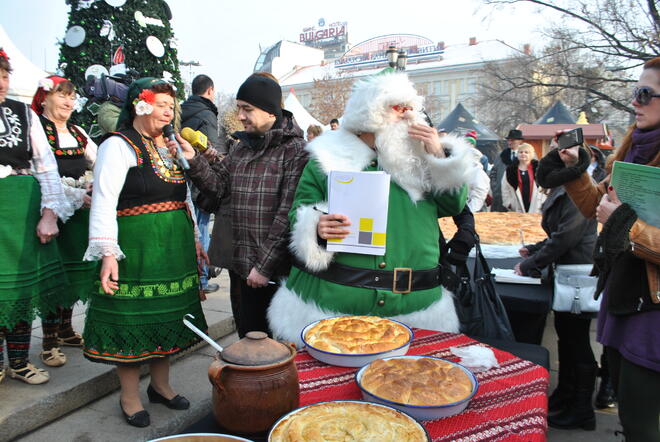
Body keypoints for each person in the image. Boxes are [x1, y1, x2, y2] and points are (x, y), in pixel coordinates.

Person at [266, 73, 472, 345]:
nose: (409, 117)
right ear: (370, 117)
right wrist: (316, 225)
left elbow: (453, 205)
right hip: (334, 306)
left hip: (417, 308)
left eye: (411, 110)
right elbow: (299, 211)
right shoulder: (326, 157)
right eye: (398, 110)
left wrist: (439, 157)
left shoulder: (423, 157)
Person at [536, 57, 660, 441]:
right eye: (634, 92)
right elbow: (595, 209)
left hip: (652, 314)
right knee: (630, 413)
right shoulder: (633, 149)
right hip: (622, 297)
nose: (635, 102)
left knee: (643, 424)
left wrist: (624, 221)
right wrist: (576, 169)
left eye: (645, 94)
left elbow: (618, 220)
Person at [82, 77, 207, 427]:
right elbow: (104, 200)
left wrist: (196, 239)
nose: (169, 111)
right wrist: (108, 252)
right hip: (136, 249)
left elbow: (183, 198)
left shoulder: (169, 146)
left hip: (172, 248)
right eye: (162, 103)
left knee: (167, 316)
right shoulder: (117, 145)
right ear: (140, 104)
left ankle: (162, 386)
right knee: (133, 318)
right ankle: (130, 395)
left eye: (172, 105)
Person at [175, 74, 308, 338]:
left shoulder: (295, 152)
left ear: (270, 111)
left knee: (278, 349)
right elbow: (218, 188)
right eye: (239, 109)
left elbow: (287, 216)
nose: (241, 116)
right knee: (247, 343)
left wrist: (263, 266)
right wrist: (193, 160)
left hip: (276, 274)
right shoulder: (241, 149)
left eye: (247, 109)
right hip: (241, 268)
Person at [0, 49, 72, 385]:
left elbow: (46, 166)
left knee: (22, 290)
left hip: (22, 212)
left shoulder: (22, 114)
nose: (2, 83)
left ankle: (18, 361)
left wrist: (49, 215)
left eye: (4, 75)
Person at [513, 184, 598, 430]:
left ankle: (582, 410)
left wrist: (532, 261)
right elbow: (559, 234)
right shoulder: (568, 190)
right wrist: (535, 249)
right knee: (568, 338)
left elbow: (565, 238)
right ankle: (567, 395)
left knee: (577, 341)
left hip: (577, 278)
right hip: (570, 275)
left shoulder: (576, 193)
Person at [31, 76, 98, 368]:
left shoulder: (78, 132)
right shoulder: (36, 130)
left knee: (74, 274)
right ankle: (49, 343)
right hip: (52, 212)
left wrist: (95, 186)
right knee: (54, 278)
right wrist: (72, 194)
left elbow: (99, 161)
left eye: (72, 97)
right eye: (62, 96)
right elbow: (38, 171)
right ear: (44, 98)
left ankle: (66, 329)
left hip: (79, 215)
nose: (69, 102)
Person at [181, 74, 223, 295]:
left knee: (190, 231)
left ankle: (191, 280)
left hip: (181, 179)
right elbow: (210, 152)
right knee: (202, 230)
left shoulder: (181, 112)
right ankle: (202, 281)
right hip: (199, 183)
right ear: (210, 91)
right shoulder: (207, 114)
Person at [501, 143, 545, 213]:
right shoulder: (510, 170)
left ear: (531, 155)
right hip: (516, 205)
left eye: (526, 152)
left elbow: (546, 187)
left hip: (536, 205)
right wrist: (508, 203)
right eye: (520, 152)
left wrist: (543, 202)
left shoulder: (539, 169)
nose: (523, 154)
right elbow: (505, 187)